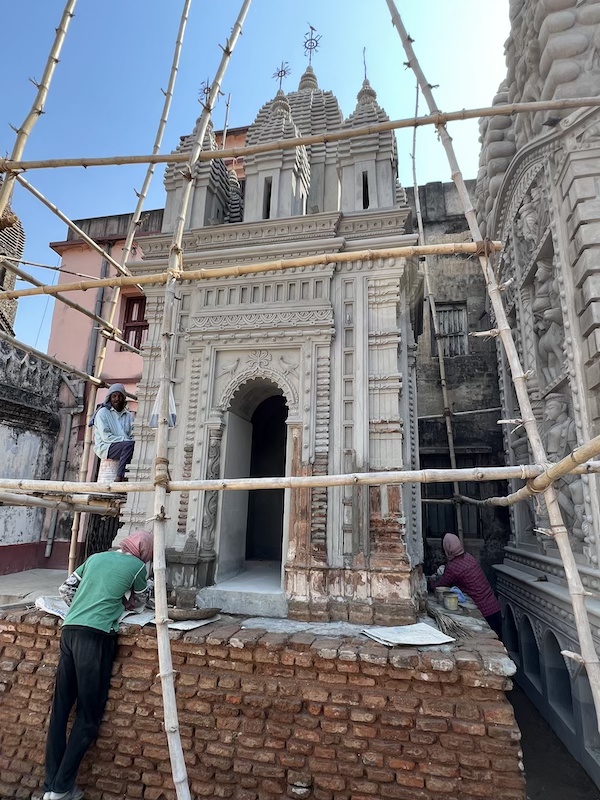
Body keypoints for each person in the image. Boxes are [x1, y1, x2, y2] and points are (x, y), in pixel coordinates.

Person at [41, 531, 154, 800]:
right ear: (145, 551)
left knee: (61, 711)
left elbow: (66, 589)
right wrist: (121, 603)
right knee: (88, 717)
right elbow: (141, 601)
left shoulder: (95, 558)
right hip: (96, 638)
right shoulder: (138, 567)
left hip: (70, 630)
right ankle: (61, 789)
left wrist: (84, 605)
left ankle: (51, 786)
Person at [430, 533, 502, 639]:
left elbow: (439, 587)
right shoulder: (469, 557)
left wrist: (431, 581)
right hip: (494, 606)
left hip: (483, 611)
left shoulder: (453, 567)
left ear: (447, 549)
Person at [92, 383, 134, 481]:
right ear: (109, 398)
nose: (117, 399)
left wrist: (130, 441)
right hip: (106, 446)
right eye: (114, 396)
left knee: (136, 447)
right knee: (129, 445)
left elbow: (133, 434)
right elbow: (106, 437)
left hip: (124, 446)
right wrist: (126, 440)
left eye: (120, 396)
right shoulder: (102, 413)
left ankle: (128, 478)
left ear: (124, 398)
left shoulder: (129, 415)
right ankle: (119, 477)